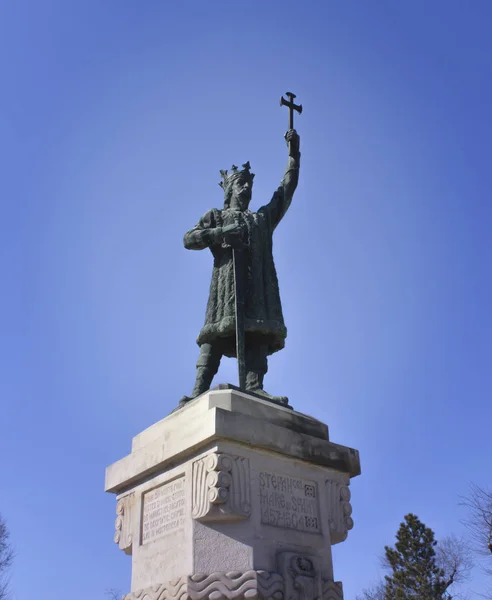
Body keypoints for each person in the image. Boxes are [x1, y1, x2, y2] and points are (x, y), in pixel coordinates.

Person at [181, 129, 300, 406]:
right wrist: (219, 234)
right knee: (213, 335)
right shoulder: (217, 216)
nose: (246, 188)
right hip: (225, 292)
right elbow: (189, 239)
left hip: (257, 290)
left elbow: (286, 190)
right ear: (230, 190)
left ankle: (254, 386)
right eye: (241, 184)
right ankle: (198, 390)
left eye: (248, 184)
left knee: (257, 332)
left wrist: (293, 155)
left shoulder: (262, 219)